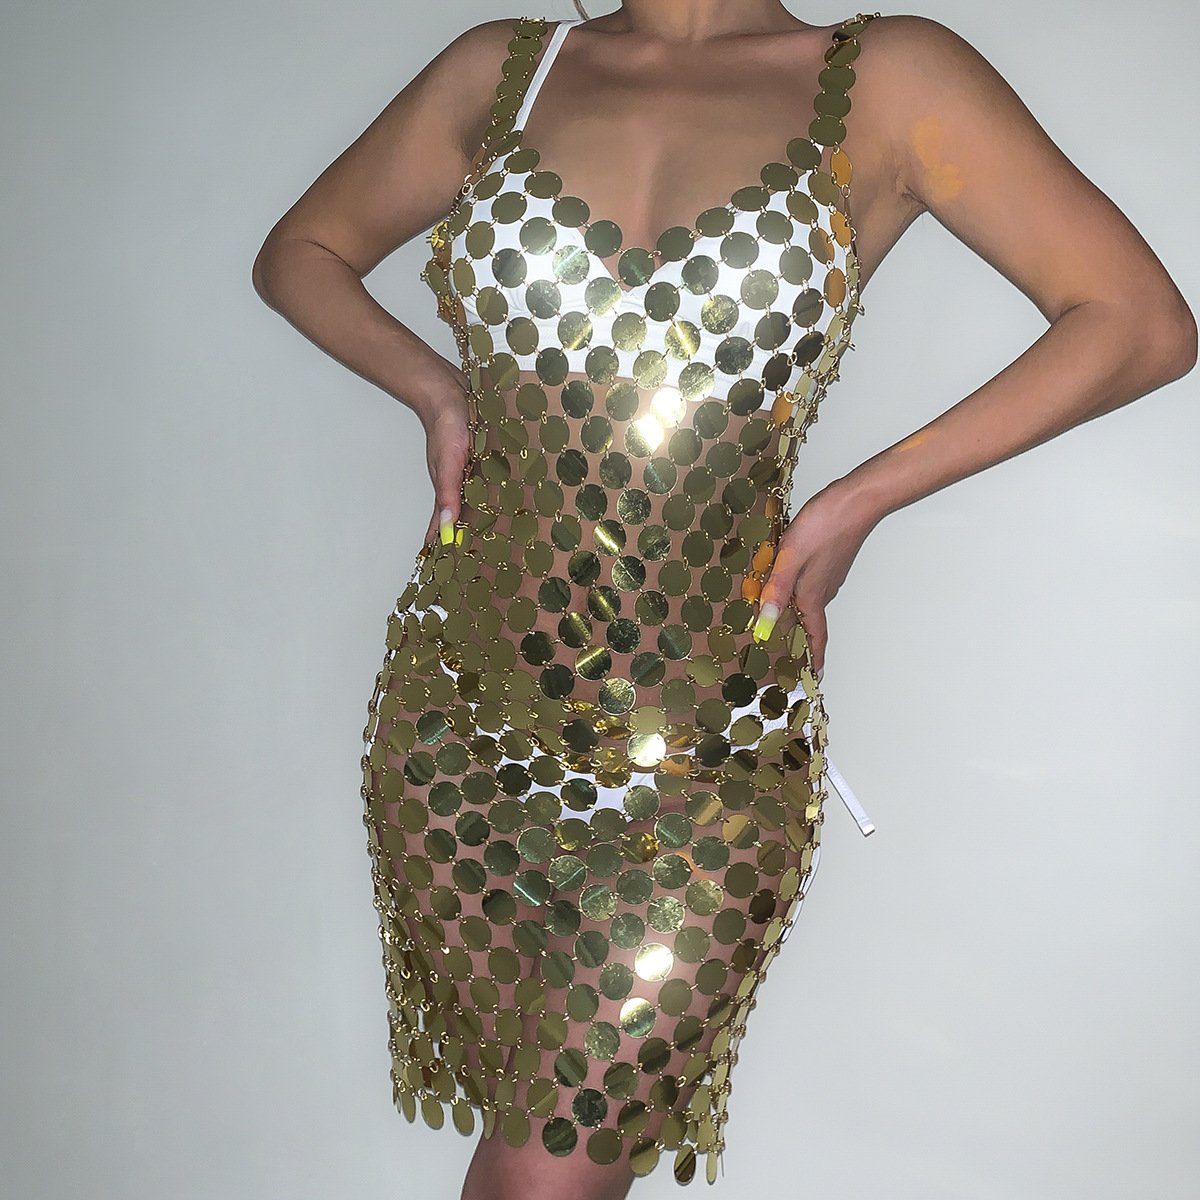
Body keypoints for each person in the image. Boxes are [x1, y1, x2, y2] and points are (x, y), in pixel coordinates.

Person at [251, 3, 1195, 1196]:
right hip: (462, 728)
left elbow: (1136, 322)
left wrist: (858, 500)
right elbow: (302, 251)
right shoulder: (507, 70)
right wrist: (438, 392)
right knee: (526, 1160)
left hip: (708, 752)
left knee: (544, 1177)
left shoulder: (892, 77)